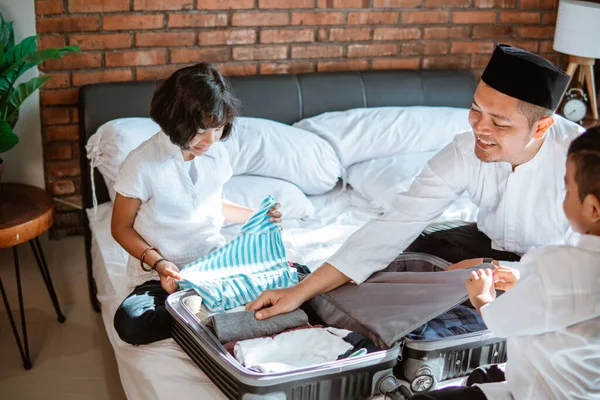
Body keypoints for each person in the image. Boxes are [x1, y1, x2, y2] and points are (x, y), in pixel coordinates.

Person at [247, 44, 582, 320]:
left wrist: (497, 269)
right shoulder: (466, 149)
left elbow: (587, 267)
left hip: (554, 270)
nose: (480, 128)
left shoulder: (583, 164)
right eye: (475, 110)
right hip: (484, 243)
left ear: (540, 128)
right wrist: (298, 293)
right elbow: (392, 226)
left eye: (499, 123)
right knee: (395, 260)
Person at [411, 126, 600, 400]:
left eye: (567, 190)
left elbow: (503, 322)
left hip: (541, 393)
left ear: (593, 209)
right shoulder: (562, 272)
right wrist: (526, 282)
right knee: (485, 379)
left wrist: (483, 299)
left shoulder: (555, 264)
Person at [110, 63, 282, 345]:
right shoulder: (141, 163)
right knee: (132, 323)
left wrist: (258, 216)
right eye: (202, 130)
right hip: (163, 275)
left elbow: (212, 205)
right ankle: (223, 312)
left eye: (218, 129)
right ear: (176, 120)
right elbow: (121, 228)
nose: (210, 140)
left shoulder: (217, 154)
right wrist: (160, 263)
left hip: (214, 265)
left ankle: (205, 310)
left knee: (299, 277)